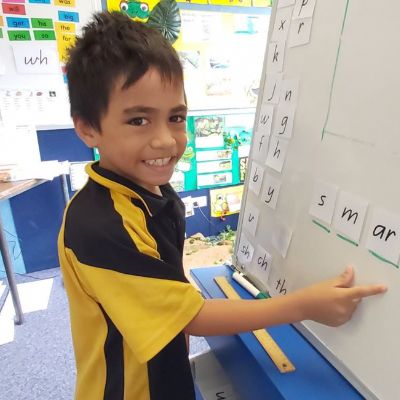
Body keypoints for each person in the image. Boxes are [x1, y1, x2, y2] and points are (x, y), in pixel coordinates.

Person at [58, 11, 387, 400]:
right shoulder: (100, 226)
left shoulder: (148, 192)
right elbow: (191, 316)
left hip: (164, 371)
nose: (166, 140)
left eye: (176, 117)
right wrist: (304, 305)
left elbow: (170, 293)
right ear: (87, 129)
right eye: (138, 121)